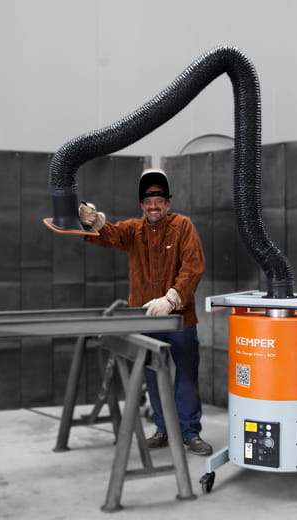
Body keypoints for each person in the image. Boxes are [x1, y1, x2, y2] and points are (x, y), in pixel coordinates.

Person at [78, 168, 212, 455]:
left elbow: (193, 267)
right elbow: (108, 234)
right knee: (152, 374)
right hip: (147, 319)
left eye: (158, 201)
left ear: (168, 203)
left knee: (186, 373)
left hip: (180, 319)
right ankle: (162, 429)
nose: (153, 207)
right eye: (148, 202)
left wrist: (172, 299)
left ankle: (190, 433)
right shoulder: (133, 231)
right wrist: (93, 220)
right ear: (142, 205)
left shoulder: (183, 227)